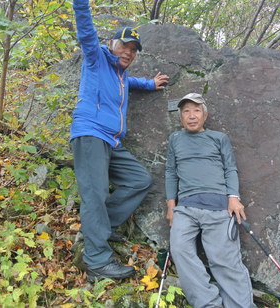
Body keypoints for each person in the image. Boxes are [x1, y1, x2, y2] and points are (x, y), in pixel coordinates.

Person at [71, 0, 169, 282]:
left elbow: (131, 82)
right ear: (112, 43)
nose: (129, 52)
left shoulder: (122, 75)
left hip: (112, 142)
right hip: (91, 134)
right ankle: (97, 261)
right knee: (95, 195)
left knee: (140, 180)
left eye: (134, 50)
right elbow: (86, 31)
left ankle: (100, 227)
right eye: (125, 45)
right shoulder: (96, 57)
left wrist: (150, 84)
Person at [165, 93, 255, 308]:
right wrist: (171, 206)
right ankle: (208, 303)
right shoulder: (175, 139)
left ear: (205, 115)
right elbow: (170, 172)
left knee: (224, 261)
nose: (191, 116)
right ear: (180, 117)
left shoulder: (219, 138)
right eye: (186, 111)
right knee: (179, 249)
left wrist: (234, 198)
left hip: (218, 207)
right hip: (185, 208)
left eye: (196, 110)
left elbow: (230, 168)